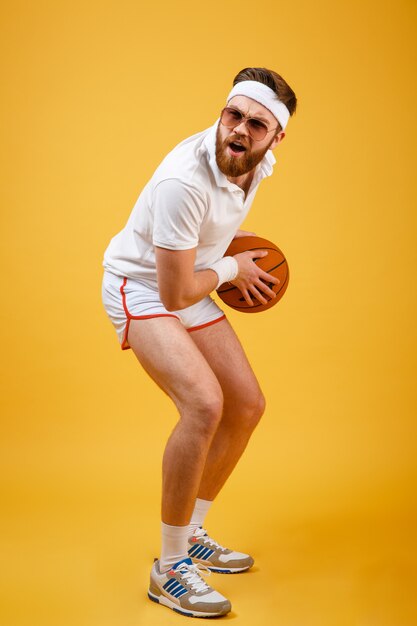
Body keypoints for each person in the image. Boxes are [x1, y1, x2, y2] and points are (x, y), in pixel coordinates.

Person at [102, 67, 297, 618]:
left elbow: (199, 260)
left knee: (247, 405)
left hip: (188, 279)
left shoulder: (257, 163)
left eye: (256, 124)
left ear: (276, 138)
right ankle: (168, 568)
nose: (239, 130)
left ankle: (190, 534)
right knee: (204, 404)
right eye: (232, 114)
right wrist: (233, 267)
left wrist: (227, 261)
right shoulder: (181, 182)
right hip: (140, 288)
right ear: (222, 111)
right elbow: (176, 289)